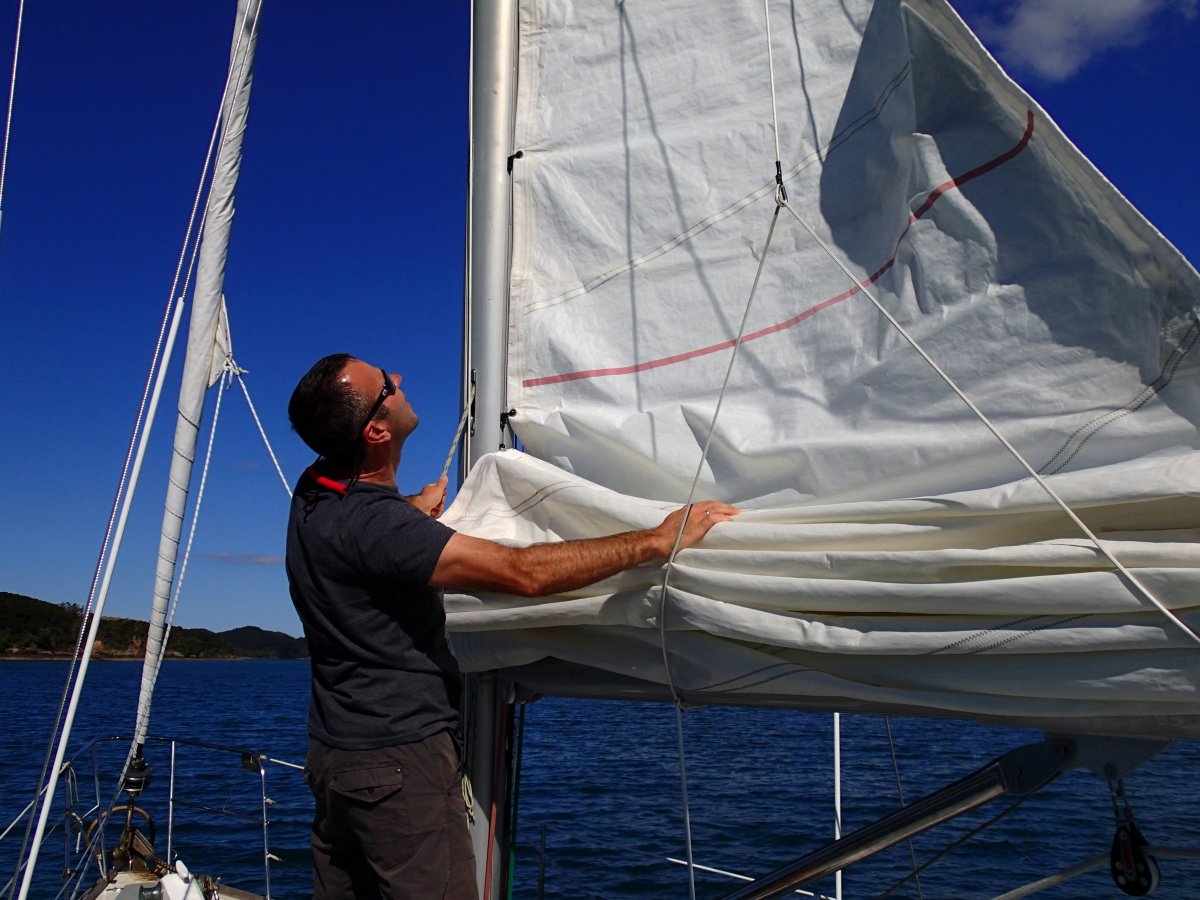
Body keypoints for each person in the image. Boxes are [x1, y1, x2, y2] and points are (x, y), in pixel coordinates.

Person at [285, 353, 739, 900]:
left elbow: (370, 532)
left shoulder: (314, 490)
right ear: (377, 430)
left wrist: (410, 510)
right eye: (386, 384)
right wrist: (655, 540)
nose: (401, 378)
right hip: (399, 766)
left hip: (336, 757)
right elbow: (523, 573)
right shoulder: (381, 527)